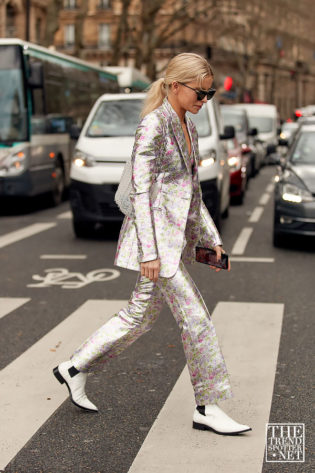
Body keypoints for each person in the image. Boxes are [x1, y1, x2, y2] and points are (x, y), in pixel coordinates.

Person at [53, 53, 252, 436]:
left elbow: (192, 194)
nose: (204, 99)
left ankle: (73, 368)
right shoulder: (153, 125)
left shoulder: (188, 127)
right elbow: (141, 191)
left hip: (173, 240)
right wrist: (149, 252)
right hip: (156, 244)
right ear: (175, 85)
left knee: (138, 316)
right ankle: (207, 407)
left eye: (209, 93)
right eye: (200, 91)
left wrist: (212, 242)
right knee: (197, 320)